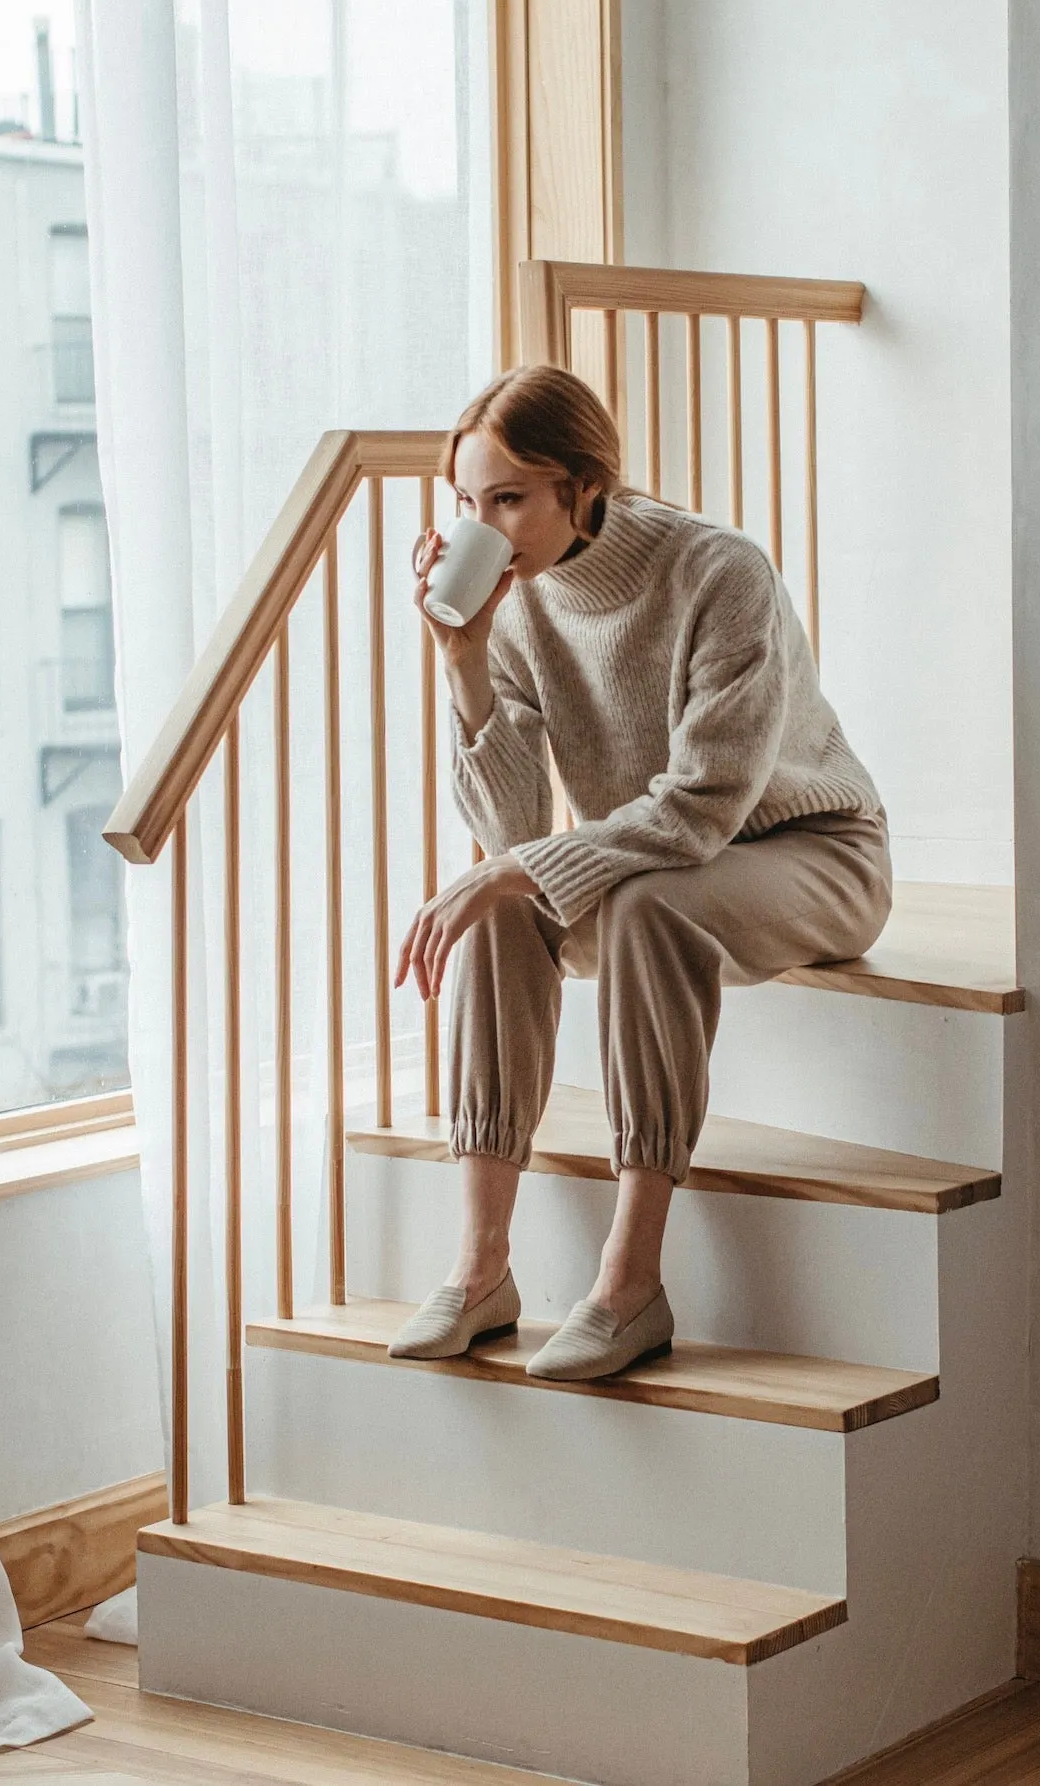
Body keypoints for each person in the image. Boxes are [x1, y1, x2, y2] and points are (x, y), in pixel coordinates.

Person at [388, 364, 890, 1382]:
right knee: (496, 912)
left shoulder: (720, 571)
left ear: (586, 483)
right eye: (465, 502)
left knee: (645, 901)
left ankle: (629, 1280)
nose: (481, 527)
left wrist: (519, 867)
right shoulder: (517, 604)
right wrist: (465, 662)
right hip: (659, 863)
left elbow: (704, 805)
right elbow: (518, 823)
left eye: (509, 498)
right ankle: (482, 1265)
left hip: (813, 851)